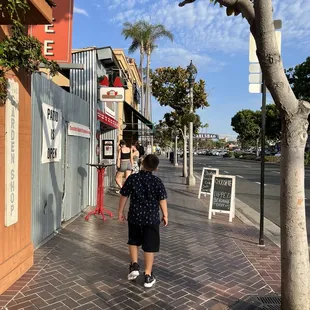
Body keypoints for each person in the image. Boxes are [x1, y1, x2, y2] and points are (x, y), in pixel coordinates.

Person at [118, 154, 168, 288]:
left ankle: (134, 265)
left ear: (142, 163)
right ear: (155, 168)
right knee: (149, 246)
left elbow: (124, 194)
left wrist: (120, 211)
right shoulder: (157, 181)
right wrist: (165, 215)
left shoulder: (133, 178)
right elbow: (162, 199)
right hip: (151, 219)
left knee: (133, 241)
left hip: (135, 216)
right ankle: (147, 275)